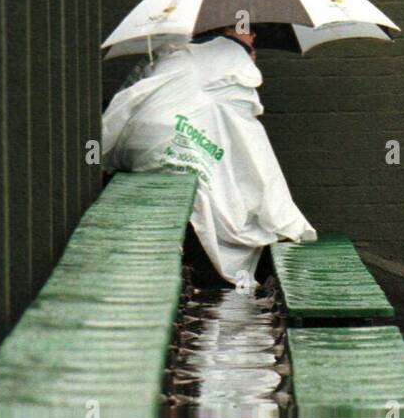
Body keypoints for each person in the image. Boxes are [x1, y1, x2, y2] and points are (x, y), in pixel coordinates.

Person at [101, 24, 316, 286]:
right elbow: (247, 130)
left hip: (140, 145)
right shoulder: (230, 51)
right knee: (246, 167)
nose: (254, 35)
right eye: (247, 29)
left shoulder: (171, 49)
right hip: (179, 144)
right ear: (226, 30)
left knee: (215, 177)